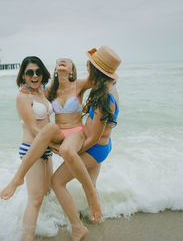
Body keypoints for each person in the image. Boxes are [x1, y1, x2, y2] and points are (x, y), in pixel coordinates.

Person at [0, 57, 103, 224]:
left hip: (76, 132)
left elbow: (97, 80)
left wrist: (90, 63)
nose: (61, 61)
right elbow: (34, 92)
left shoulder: (79, 84)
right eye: (59, 61)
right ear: (55, 70)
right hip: (59, 134)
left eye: (66, 61)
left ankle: (92, 198)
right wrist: (24, 89)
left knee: (76, 165)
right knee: (49, 130)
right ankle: (20, 180)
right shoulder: (50, 91)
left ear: (72, 70)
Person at [51, 46, 121, 240]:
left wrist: (68, 152)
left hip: (95, 148)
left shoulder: (103, 98)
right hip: (103, 145)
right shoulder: (107, 88)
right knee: (90, 182)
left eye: (90, 63)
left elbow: (92, 138)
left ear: (95, 69)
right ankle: (96, 216)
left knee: (57, 182)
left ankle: (77, 227)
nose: (87, 64)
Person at [13, 56, 53, 241]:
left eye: (38, 71)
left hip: (46, 147)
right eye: (30, 72)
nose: (34, 75)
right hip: (32, 148)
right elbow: (35, 129)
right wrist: (58, 145)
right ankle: (26, 237)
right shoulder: (23, 97)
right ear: (23, 75)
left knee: (46, 191)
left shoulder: (42, 91)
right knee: (35, 199)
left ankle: (43, 226)